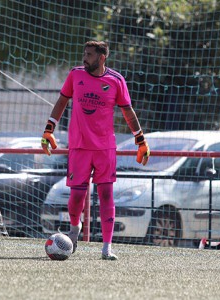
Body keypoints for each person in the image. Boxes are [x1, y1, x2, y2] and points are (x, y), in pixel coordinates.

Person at [41, 40, 150, 260]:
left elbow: (128, 112)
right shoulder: (75, 75)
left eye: (89, 55)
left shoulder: (116, 80)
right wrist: (48, 130)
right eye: (84, 53)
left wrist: (140, 140)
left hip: (105, 148)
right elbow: (62, 101)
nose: (85, 58)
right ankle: (74, 230)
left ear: (102, 58)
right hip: (79, 147)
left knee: (107, 195)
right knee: (76, 196)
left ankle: (107, 248)